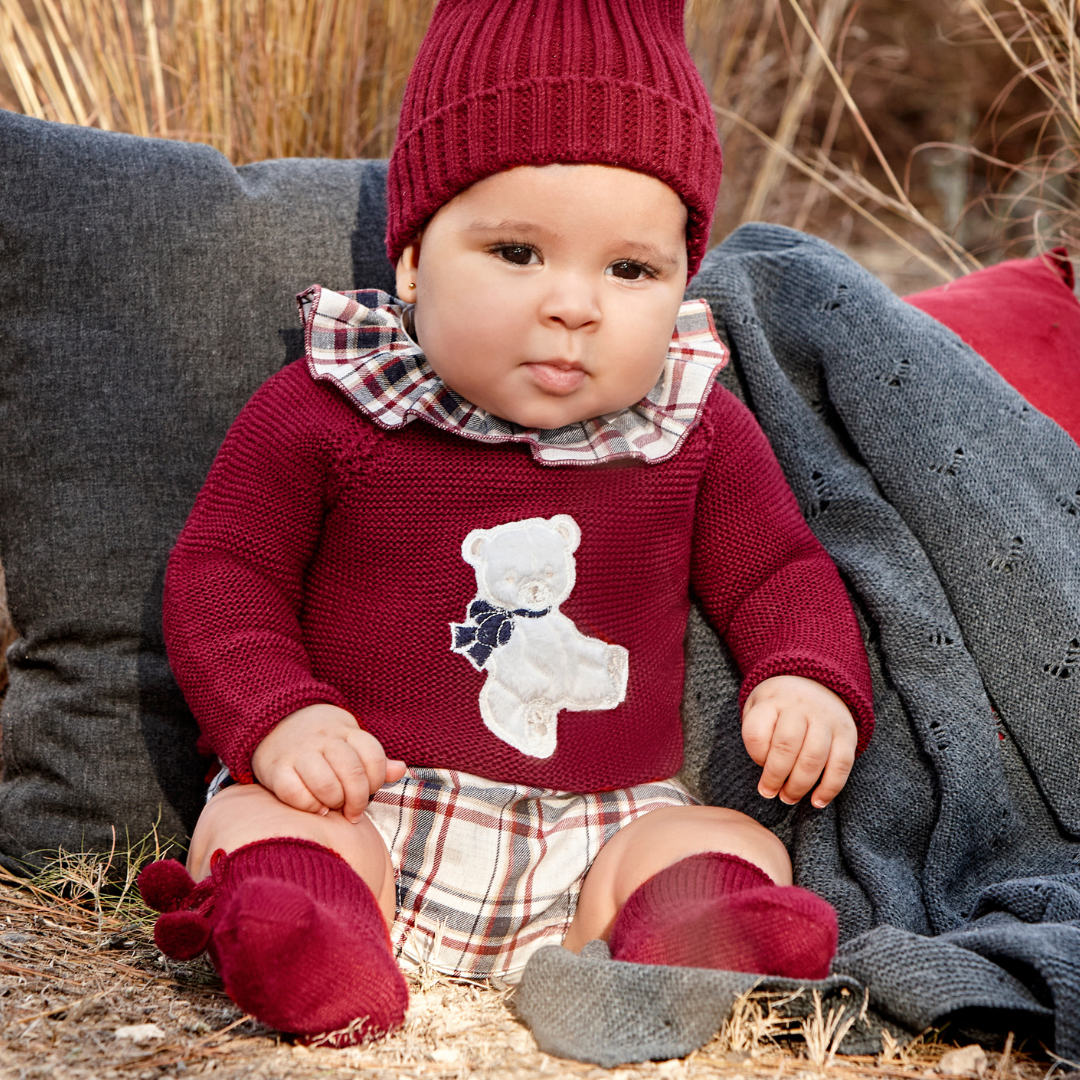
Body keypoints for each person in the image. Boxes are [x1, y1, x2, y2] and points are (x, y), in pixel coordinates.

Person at [138, 0, 875, 1047]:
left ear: (679, 285)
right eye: (518, 252)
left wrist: (802, 669)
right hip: (365, 804)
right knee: (253, 822)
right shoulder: (338, 404)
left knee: (728, 843)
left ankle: (667, 950)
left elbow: (778, 572)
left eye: (630, 270)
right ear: (412, 261)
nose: (574, 305)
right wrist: (278, 715)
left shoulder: (692, 428)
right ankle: (314, 938)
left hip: (605, 820)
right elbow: (225, 570)